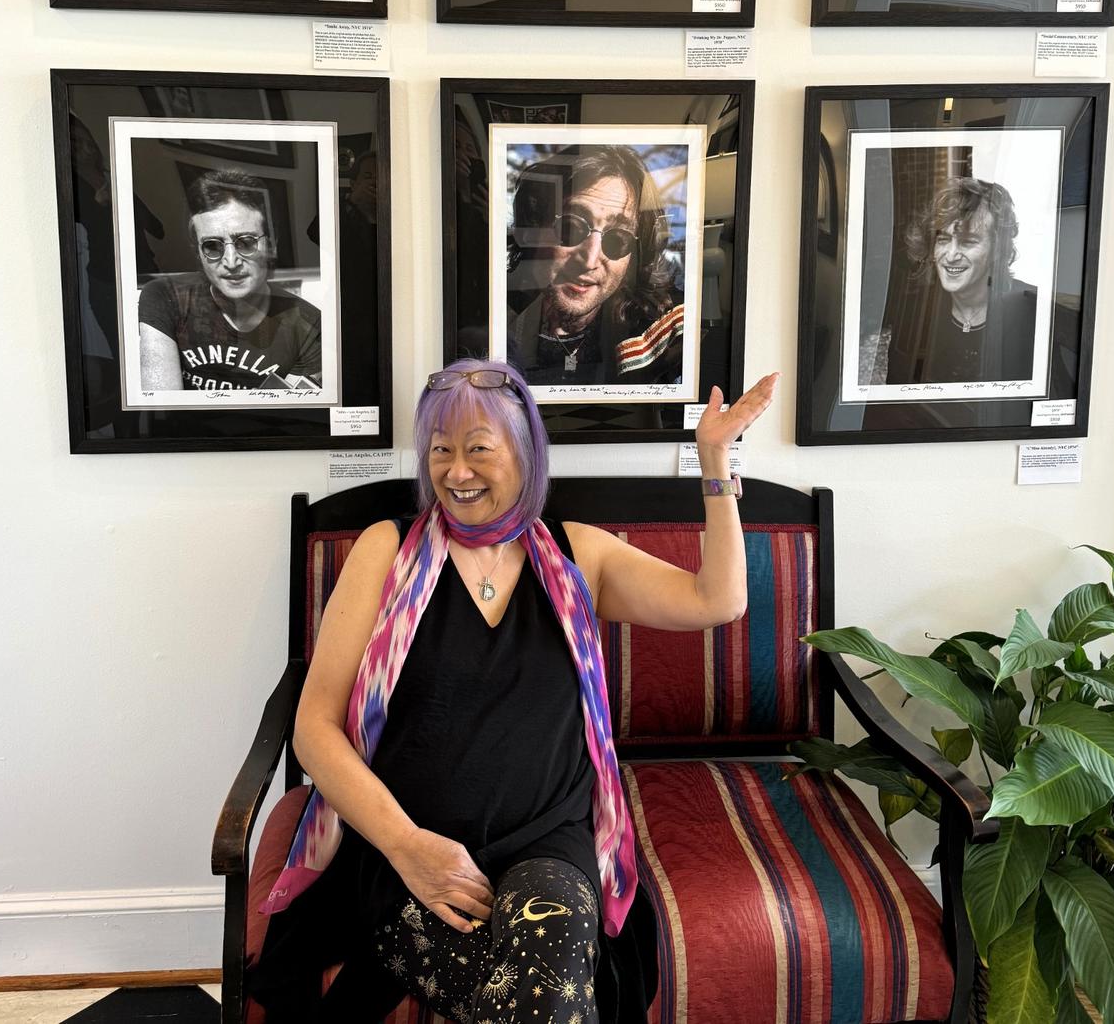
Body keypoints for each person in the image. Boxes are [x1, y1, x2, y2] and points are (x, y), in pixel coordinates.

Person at [249, 357, 779, 1022]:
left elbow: (717, 599)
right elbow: (314, 728)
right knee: (546, 1006)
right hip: (403, 851)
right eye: (440, 451)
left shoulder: (579, 556)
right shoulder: (384, 553)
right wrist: (408, 847)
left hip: (545, 842)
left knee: (544, 994)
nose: (456, 471)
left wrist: (715, 460)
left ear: (525, 452)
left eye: (478, 449)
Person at [506, 146, 684, 387]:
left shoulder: (667, 333)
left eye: (618, 239)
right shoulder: (499, 320)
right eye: (571, 227)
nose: (590, 260)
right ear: (537, 229)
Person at [137, 168, 322, 393]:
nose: (231, 261)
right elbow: (161, 408)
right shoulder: (166, 297)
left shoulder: (307, 324)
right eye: (212, 246)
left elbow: (293, 419)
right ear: (198, 253)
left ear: (271, 245)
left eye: (246, 242)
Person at [864, 177, 1037, 385]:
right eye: (943, 240)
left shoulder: (1030, 311)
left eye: (968, 242)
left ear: (997, 249)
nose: (952, 255)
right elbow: (899, 394)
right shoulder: (916, 314)